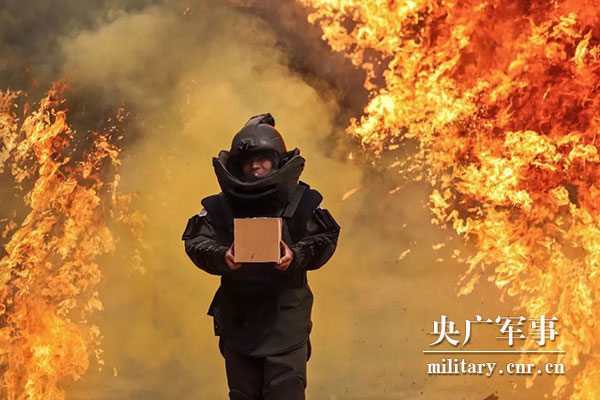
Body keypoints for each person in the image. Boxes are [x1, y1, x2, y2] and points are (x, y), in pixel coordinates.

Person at [181, 113, 341, 400]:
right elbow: (195, 240)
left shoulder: (302, 201)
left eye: (263, 159)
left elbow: (326, 237)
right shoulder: (220, 207)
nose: (255, 166)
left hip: (286, 322)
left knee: (285, 392)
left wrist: (296, 255)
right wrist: (222, 256)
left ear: (278, 161)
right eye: (248, 161)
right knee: (242, 394)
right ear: (237, 166)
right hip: (239, 322)